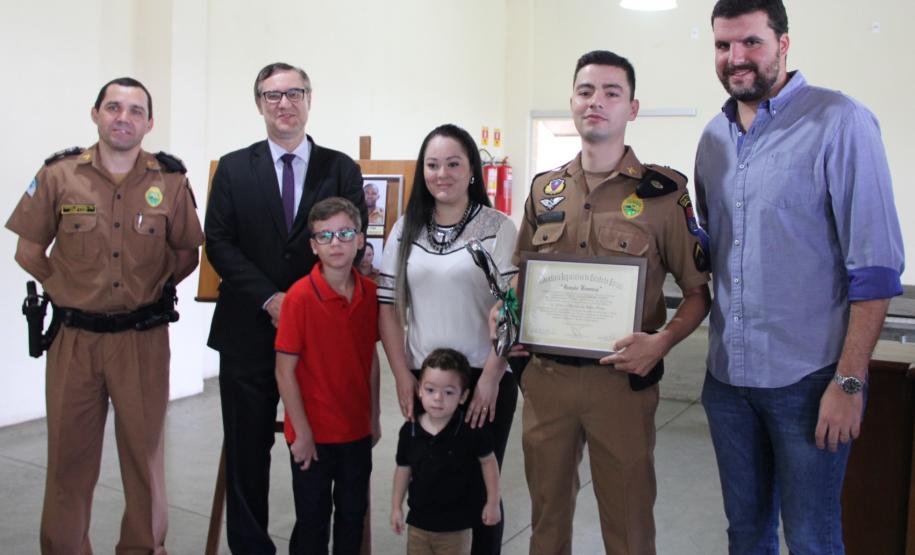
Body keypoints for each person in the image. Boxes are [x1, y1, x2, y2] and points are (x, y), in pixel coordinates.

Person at [695, 1, 905, 553]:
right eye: (723, 45)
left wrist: (850, 381)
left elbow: (877, 267)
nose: (736, 58)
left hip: (809, 383)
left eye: (751, 43)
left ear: (784, 44)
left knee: (812, 538)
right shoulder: (712, 140)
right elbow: (717, 253)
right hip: (727, 383)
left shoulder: (839, 121)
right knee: (746, 536)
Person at [509, 51, 711, 555]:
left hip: (621, 384)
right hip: (547, 382)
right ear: (572, 103)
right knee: (545, 524)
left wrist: (661, 343)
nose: (596, 102)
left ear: (632, 108)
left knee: (629, 527)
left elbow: (698, 293)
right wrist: (507, 317)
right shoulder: (544, 191)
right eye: (585, 91)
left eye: (610, 93)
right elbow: (521, 280)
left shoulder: (665, 195)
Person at [5, 77, 203, 554]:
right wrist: (68, 290)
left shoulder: (170, 180)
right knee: (68, 462)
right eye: (113, 107)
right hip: (74, 339)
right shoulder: (58, 175)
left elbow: (186, 254)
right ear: (95, 114)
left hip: (141, 340)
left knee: (144, 459)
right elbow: (29, 251)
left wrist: (149, 293)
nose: (123, 117)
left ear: (149, 123)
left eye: (136, 110)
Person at [205, 62, 367, 554]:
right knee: (247, 452)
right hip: (248, 331)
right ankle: (251, 547)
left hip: (322, 338)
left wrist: (302, 304)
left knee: (316, 448)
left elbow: (349, 244)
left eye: (293, 93)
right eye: (272, 95)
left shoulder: (340, 168)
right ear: (259, 104)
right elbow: (219, 243)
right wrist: (273, 299)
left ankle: (309, 545)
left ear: (309, 99)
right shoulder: (234, 167)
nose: (284, 103)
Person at [378, 123, 518, 554]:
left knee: (480, 483)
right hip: (426, 377)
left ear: (472, 169)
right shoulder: (406, 228)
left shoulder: (498, 226)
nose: (442, 173)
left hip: (482, 376)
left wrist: (492, 377)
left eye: (453, 163)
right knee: (431, 477)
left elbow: (511, 309)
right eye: (433, 165)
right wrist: (403, 375)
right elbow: (387, 305)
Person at [274, 197, 380, 554]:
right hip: (313, 437)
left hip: (355, 432)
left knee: (352, 518)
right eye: (325, 236)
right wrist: (301, 433)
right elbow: (284, 370)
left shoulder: (369, 294)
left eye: (345, 233)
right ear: (313, 245)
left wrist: (374, 417)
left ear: (360, 240)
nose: (336, 243)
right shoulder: (299, 298)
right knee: (313, 523)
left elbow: (371, 361)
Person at [390, 348, 501, 555]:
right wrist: (396, 507)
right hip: (418, 526)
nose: (438, 398)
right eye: (430, 390)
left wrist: (493, 502)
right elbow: (403, 469)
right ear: (420, 390)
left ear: (463, 396)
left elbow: (489, 463)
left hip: (455, 530)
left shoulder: (471, 431)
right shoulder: (410, 430)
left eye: (449, 392)